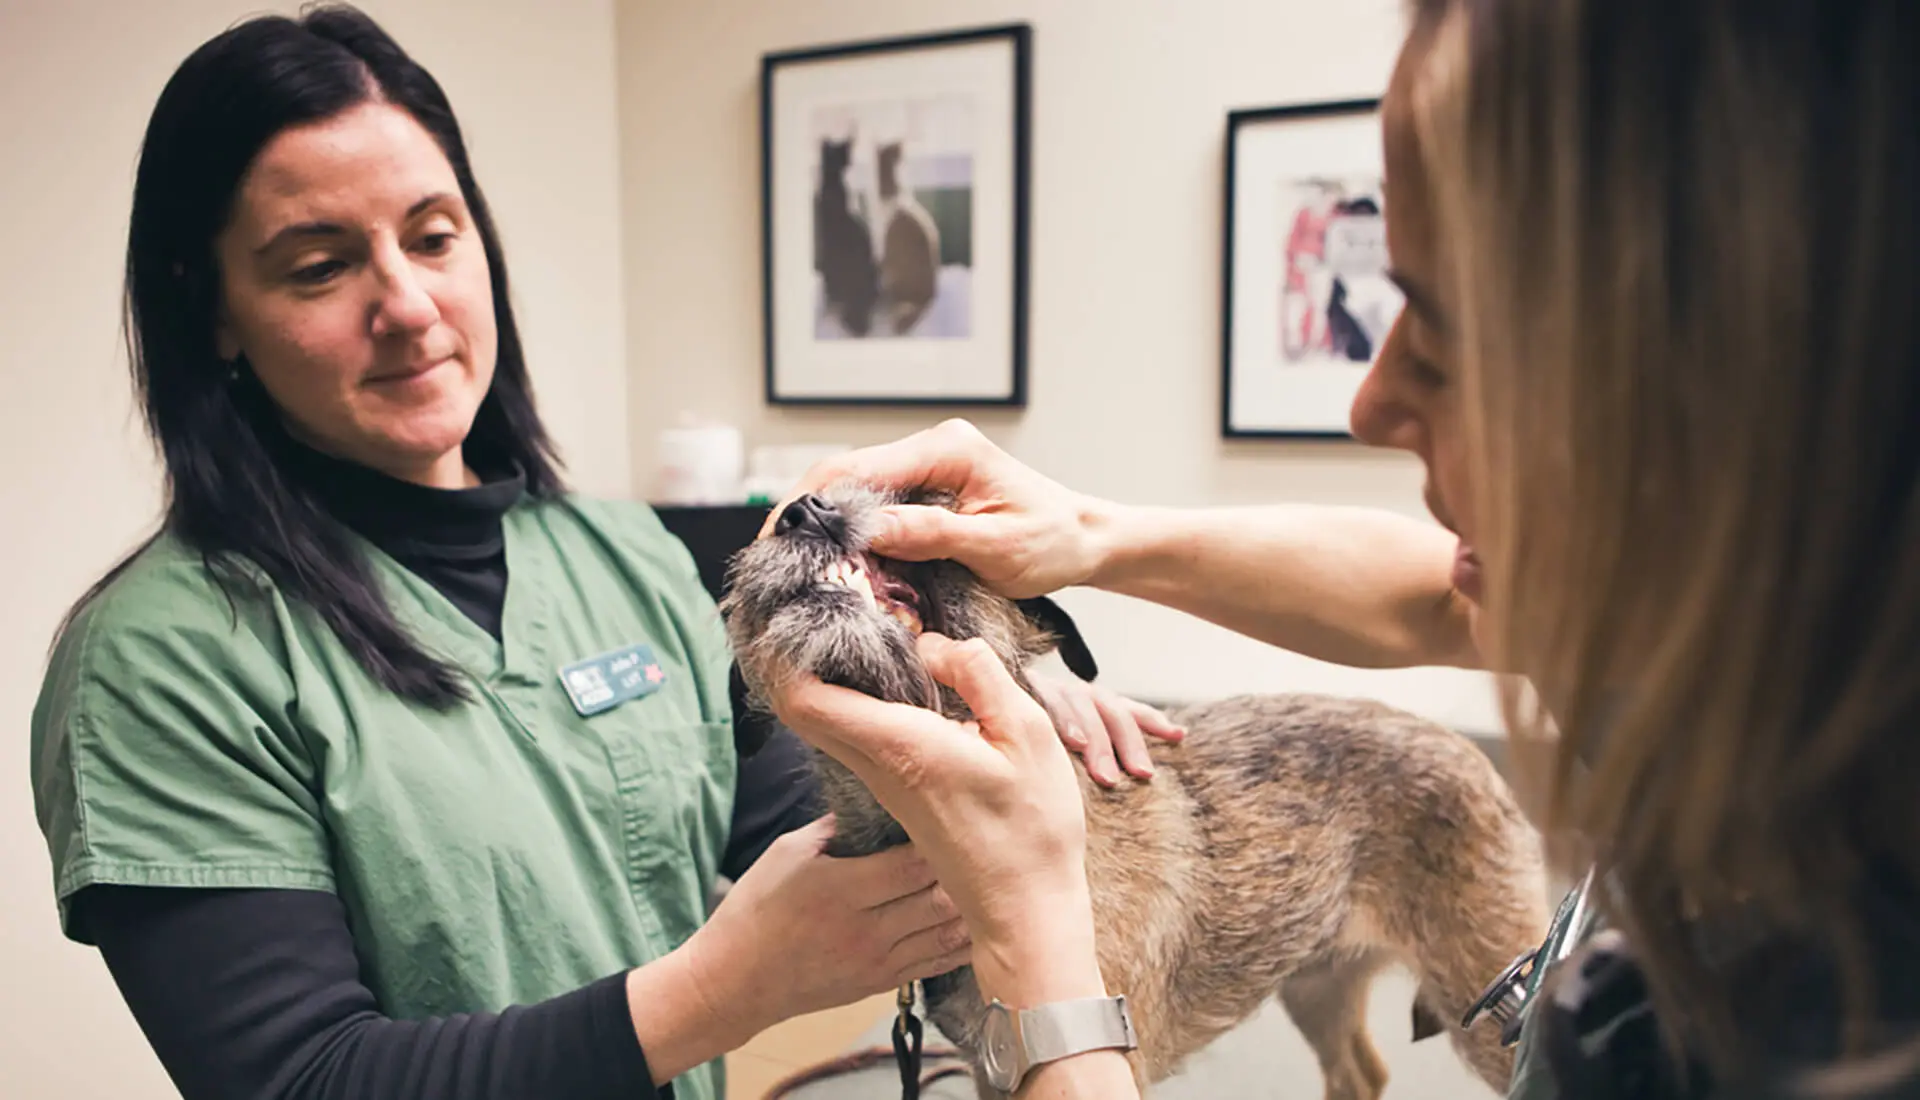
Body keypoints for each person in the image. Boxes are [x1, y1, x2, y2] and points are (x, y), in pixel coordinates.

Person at [764, 1, 1920, 1097]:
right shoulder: (1770, 655)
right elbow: (1437, 601)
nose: (1367, 403)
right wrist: (1089, 535)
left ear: (1757, 378)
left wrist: (1047, 966)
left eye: (1453, 337)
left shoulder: (1849, 1000)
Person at [25, 8, 1176, 1099]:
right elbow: (300, 1078)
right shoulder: (159, 657)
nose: (411, 307)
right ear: (210, 308)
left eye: (435, 236)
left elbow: (823, 828)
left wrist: (1010, 701)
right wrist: (722, 989)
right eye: (320, 266)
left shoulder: (623, 553)